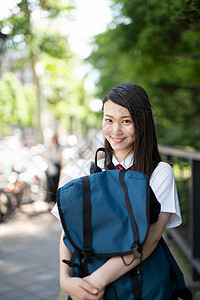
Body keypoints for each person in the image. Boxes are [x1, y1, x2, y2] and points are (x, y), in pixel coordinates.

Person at [52, 83, 182, 299]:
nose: (115, 131)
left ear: (142, 124)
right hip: (85, 277)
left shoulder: (159, 172)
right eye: (108, 120)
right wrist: (65, 279)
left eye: (126, 121)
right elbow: (68, 231)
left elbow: (150, 240)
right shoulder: (84, 169)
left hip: (141, 284)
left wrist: (94, 283)